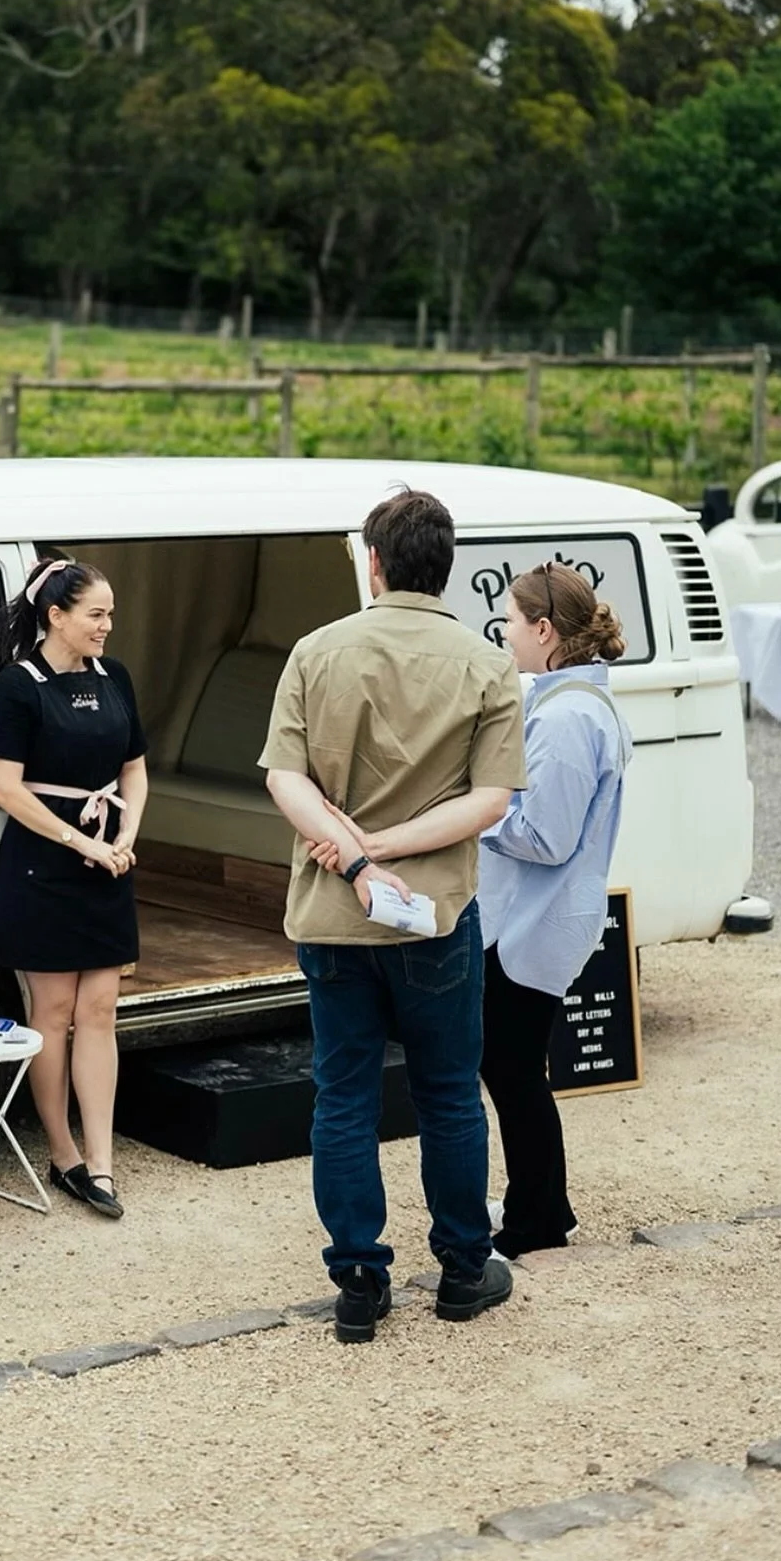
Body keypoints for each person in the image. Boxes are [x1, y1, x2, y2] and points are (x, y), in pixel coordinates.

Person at [260, 489, 526, 1342]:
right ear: (446, 565)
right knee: (449, 1094)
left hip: (335, 912)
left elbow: (283, 778)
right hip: (437, 915)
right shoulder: (487, 665)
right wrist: (393, 846)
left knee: (343, 1097)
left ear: (373, 563)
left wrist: (355, 852)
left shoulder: (316, 649)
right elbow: (490, 802)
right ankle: (460, 1270)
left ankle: (359, 1286)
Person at [0, 554, 149, 1220]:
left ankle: (101, 1163)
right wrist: (83, 843)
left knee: (100, 1010)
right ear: (57, 617)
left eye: (110, 614)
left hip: (108, 855)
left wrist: (126, 835)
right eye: (96, 615)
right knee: (51, 1013)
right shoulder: (17, 686)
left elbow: (134, 768)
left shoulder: (116, 678)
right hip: (43, 862)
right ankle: (62, 1152)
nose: (108, 626)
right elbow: (4, 789)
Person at [475, 564, 631, 1260]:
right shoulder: (572, 702)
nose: (502, 631)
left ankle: (532, 1223)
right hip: (537, 919)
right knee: (517, 1070)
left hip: (532, 925)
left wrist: (473, 818)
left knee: (511, 1073)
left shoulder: (568, 716)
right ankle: (549, 1207)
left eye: (509, 619)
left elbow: (547, 836)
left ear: (543, 630)